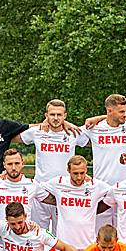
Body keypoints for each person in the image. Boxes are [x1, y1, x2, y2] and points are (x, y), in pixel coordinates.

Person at [35, 155, 110, 251]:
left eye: (82, 172)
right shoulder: (58, 183)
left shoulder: (96, 185)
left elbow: (115, 192)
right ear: (68, 170)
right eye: (75, 173)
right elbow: (35, 187)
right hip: (64, 250)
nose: (79, 177)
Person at [20, 99, 87, 233]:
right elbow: (16, 136)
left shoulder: (73, 133)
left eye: (59, 115)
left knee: (62, 232)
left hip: (64, 190)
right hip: (41, 189)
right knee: (38, 232)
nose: (55, 118)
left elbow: (90, 139)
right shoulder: (36, 132)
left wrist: (68, 124)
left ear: (65, 116)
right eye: (52, 115)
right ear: (46, 116)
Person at [81, 94, 126, 229]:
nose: (125, 115)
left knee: (125, 233)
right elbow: (69, 133)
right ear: (109, 111)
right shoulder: (94, 128)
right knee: (100, 234)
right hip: (102, 189)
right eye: (121, 112)